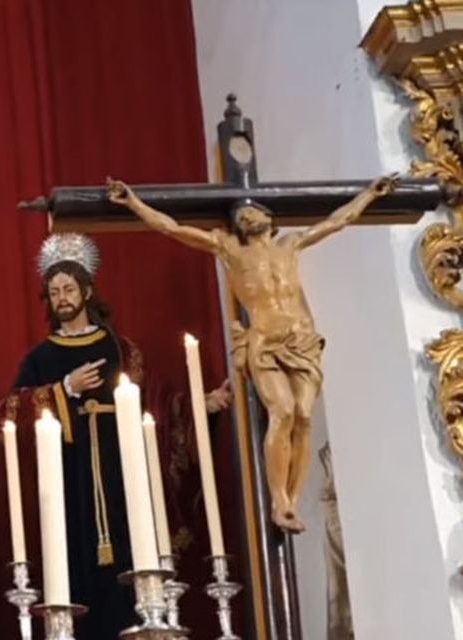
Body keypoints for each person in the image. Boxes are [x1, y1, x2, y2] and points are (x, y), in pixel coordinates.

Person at [107, 174, 396, 532]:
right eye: (241, 214)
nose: (246, 215)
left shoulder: (290, 244)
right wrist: (134, 203)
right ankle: (280, 500)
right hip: (264, 342)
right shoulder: (229, 249)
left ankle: (292, 497)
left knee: (304, 415)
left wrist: (369, 195)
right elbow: (173, 228)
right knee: (283, 410)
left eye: (254, 210)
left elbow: (338, 221)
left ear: (271, 220)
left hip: (302, 341)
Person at [0, 234, 231, 640]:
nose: (62, 298)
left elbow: (160, 408)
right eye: (54, 292)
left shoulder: (121, 351)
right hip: (69, 480)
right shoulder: (40, 357)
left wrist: (202, 405)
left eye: (69, 288)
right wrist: (64, 389)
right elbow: (10, 413)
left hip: (122, 470)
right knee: (73, 552)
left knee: (131, 546)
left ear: (87, 290)